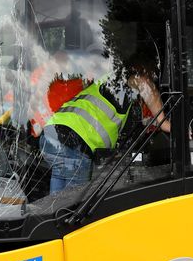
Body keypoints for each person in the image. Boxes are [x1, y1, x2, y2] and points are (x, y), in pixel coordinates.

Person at [39, 63, 170, 194]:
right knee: (72, 202)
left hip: (52, 134)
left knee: (57, 198)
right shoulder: (119, 82)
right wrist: (164, 123)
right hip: (74, 141)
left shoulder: (108, 85)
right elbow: (144, 83)